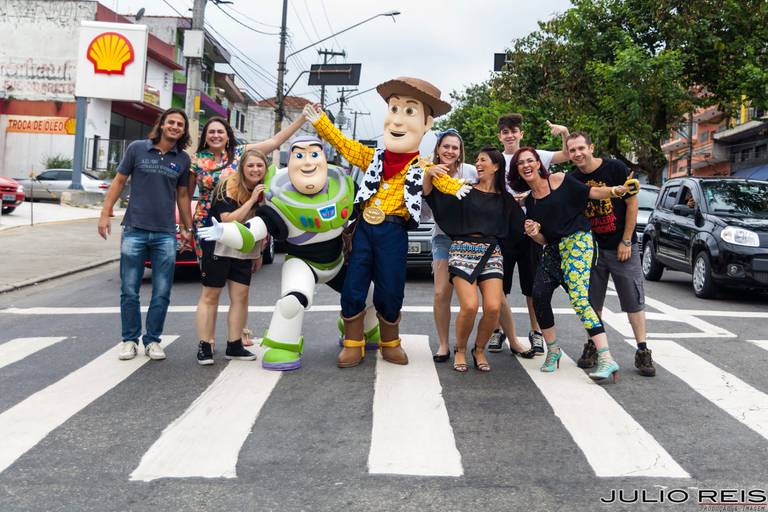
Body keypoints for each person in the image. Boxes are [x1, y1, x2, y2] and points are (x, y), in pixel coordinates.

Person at [302, 78, 470, 369]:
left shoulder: (423, 166)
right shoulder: (373, 157)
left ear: (426, 124)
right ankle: (353, 343)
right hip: (365, 229)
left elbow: (442, 180)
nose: (398, 120)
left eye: (409, 111)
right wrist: (322, 123)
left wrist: (457, 187)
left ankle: (390, 342)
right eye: (394, 109)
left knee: (390, 288)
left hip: (394, 231)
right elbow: (344, 145)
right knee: (354, 285)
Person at [199, 135, 379, 371]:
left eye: (314, 154)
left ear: (324, 158)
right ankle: (283, 346)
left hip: (337, 260)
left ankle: (362, 328)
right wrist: (225, 232)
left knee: (369, 293)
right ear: (291, 161)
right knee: (292, 302)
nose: (308, 162)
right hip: (302, 263)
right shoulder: (279, 198)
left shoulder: (343, 187)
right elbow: (253, 230)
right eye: (300, 155)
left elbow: (369, 208)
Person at [510, 147, 638, 382]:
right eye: (520, 163)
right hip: (553, 249)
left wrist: (616, 190)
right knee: (539, 295)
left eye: (530, 160)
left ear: (538, 164)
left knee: (579, 299)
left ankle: (606, 358)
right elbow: (544, 239)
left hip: (578, 242)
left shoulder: (559, 180)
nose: (526, 165)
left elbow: (593, 192)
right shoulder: (530, 202)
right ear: (517, 170)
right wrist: (534, 233)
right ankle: (553, 351)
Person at [189, 114, 307, 352]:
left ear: (228, 135)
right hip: (212, 225)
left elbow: (275, 141)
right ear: (204, 136)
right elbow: (185, 194)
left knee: (240, 291)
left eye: (220, 131)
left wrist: (302, 119)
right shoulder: (197, 160)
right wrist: (185, 225)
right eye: (211, 132)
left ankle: (237, 336)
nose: (216, 136)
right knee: (212, 289)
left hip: (246, 228)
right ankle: (207, 343)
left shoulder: (241, 154)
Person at [98, 107, 193, 361]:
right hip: (134, 230)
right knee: (129, 290)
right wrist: (105, 213)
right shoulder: (137, 149)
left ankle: (152, 341)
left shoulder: (183, 159)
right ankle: (130, 340)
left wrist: (187, 227)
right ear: (161, 124)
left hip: (165, 233)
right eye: (171, 122)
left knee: (162, 292)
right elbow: (119, 181)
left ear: (183, 131)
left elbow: (183, 195)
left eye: (180, 125)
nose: (175, 127)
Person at [566, 132, 655, 376]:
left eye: (581, 148)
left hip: (620, 246)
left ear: (591, 147)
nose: (577, 153)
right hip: (591, 249)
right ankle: (593, 345)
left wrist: (626, 240)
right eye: (572, 150)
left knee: (633, 299)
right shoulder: (572, 179)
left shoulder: (615, 168)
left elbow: (631, 203)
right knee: (592, 302)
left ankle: (643, 350)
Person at [488, 113, 571, 356]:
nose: (510, 135)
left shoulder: (534, 156)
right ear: (499, 136)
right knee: (498, 286)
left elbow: (567, 154)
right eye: (505, 132)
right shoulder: (496, 160)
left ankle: (536, 332)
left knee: (532, 286)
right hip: (503, 230)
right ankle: (497, 330)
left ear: (521, 134)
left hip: (532, 229)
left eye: (514, 131)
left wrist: (564, 132)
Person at [424, 148, 512, 372]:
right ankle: (460, 349)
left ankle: (479, 350)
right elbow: (432, 197)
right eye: (477, 160)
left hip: (491, 251)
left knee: (493, 307)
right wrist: (428, 174)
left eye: (483, 160)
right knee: (470, 306)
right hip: (462, 249)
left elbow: (521, 224)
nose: (478, 164)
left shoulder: (505, 198)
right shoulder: (465, 190)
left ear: (496, 166)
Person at [194, 149, 270, 365]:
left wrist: (259, 252)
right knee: (211, 296)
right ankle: (205, 345)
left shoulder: (267, 187)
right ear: (242, 168)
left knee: (241, 296)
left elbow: (264, 223)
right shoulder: (228, 186)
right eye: (250, 165)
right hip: (220, 245)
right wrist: (252, 200)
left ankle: (234, 345)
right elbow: (227, 220)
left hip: (246, 248)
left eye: (260, 165)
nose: (255, 170)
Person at [420, 128, 478, 362]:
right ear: (438, 148)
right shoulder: (429, 171)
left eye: (455, 147)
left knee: (473, 298)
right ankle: (443, 344)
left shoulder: (470, 171)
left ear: (460, 151)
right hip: (443, 237)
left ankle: (471, 342)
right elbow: (424, 203)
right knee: (441, 292)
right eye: (446, 146)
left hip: (469, 239)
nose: (450, 151)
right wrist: (428, 174)